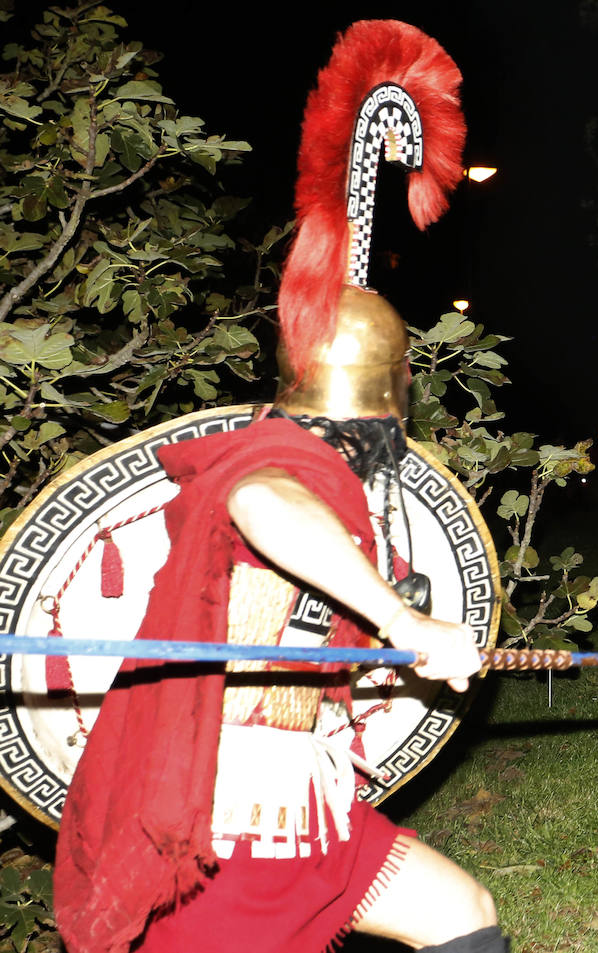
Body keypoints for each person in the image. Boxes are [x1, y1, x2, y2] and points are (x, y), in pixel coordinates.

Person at [54, 21, 509, 953]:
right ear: (385, 402)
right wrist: (407, 620)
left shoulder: (296, 450)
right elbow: (266, 506)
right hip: (234, 817)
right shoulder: (295, 464)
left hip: (305, 803)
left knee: (461, 913)